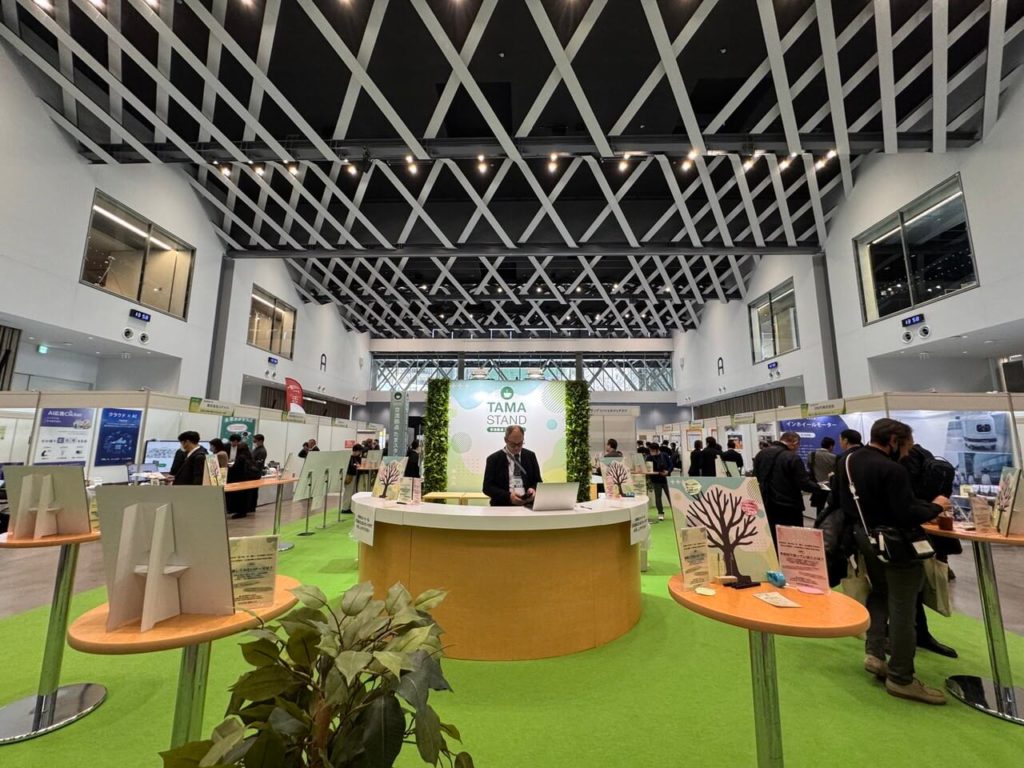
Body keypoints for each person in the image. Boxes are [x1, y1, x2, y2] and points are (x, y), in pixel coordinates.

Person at [835, 418, 949, 705]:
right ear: (894, 441)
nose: (908, 452)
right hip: (895, 545)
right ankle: (901, 676)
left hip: (865, 538)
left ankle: (875, 654)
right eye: (907, 445)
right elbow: (906, 512)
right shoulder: (892, 469)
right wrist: (936, 506)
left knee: (880, 593)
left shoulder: (849, 461)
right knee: (903, 607)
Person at [901, 443, 959, 659]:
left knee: (901, 589)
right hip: (924, 530)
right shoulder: (924, 456)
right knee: (911, 587)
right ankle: (918, 634)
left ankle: (904, 639)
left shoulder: (902, 462)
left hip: (905, 534)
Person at [753, 431, 819, 542]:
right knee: (791, 540)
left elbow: (755, 478)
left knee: (771, 537)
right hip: (789, 507)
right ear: (795, 442)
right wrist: (819, 487)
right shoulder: (792, 457)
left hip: (766, 505)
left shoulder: (761, 454)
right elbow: (803, 483)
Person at [482, 425, 542, 506]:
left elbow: (538, 482)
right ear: (505, 440)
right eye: (513, 444)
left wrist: (533, 489)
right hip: (503, 505)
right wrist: (508, 496)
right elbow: (487, 488)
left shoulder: (530, 456)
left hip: (528, 505)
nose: (516, 448)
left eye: (520, 444)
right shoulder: (493, 459)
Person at [226, 442, 260, 519]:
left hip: (241, 480)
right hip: (248, 480)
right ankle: (246, 510)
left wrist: (228, 468)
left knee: (240, 497)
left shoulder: (241, 457)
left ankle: (240, 512)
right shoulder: (249, 456)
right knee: (246, 497)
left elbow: (236, 469)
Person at [648, 442, 671, 522]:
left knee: (670, 496)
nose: (651, 452)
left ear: (657, 449)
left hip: (666, 479)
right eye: (650, 450)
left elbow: (670, 464)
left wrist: (668, 471)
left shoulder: (664, 455)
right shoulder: (649, 457)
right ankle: (660, 513)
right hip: (656, 480)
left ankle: (675, 511)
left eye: (652, 450)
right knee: (658, 497)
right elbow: (648, 468)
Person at [341, 444, 365, 514]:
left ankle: (349, 507)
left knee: (352, 492)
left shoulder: (355, 458)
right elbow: (351, 467)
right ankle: (345, 508)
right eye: (359, 451)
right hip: (350, 476)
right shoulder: (350, 458)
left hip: (354, 476)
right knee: (348, 492)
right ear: (357, 451)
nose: (360, 453)